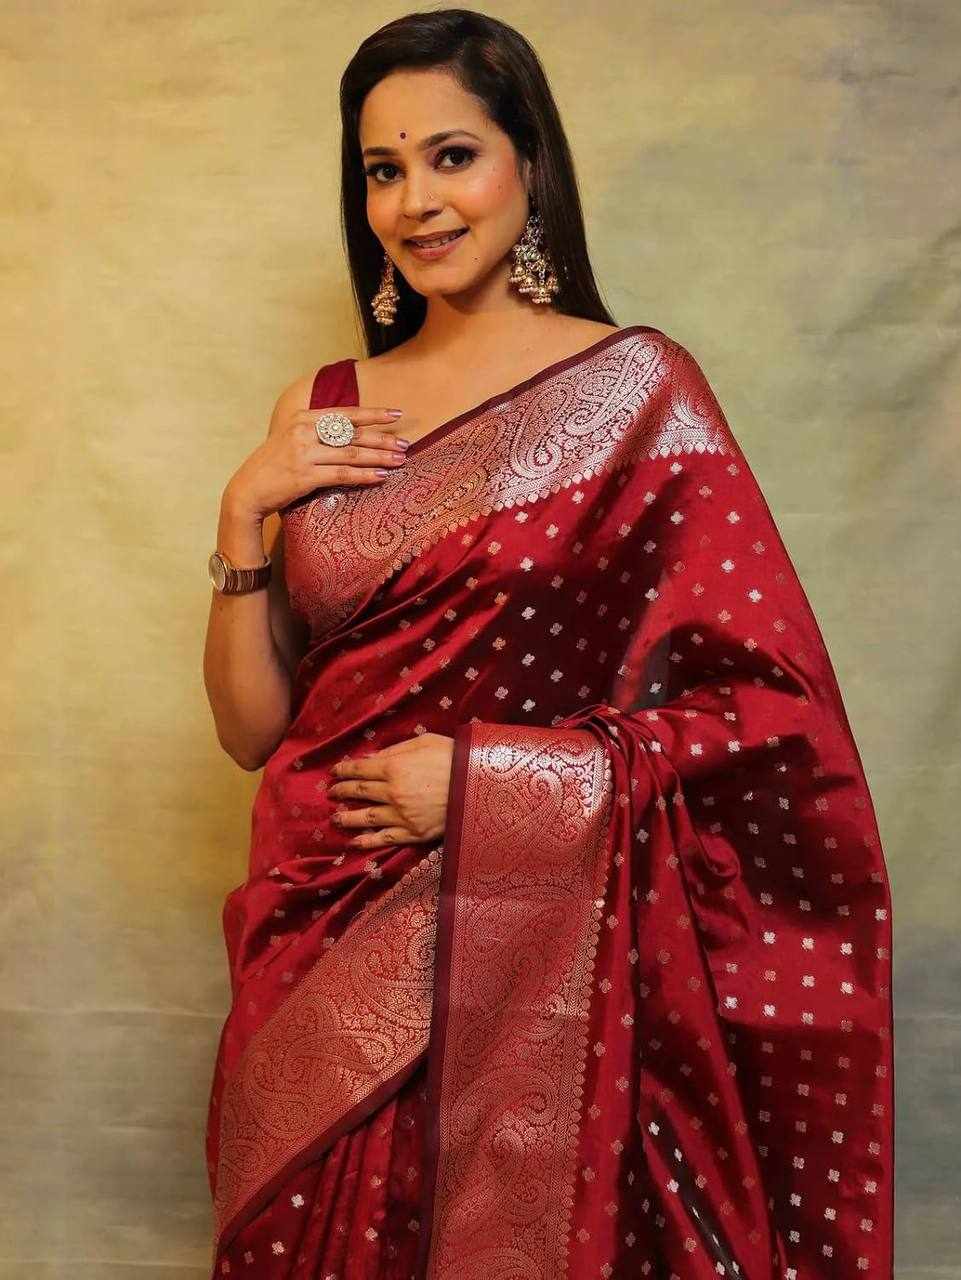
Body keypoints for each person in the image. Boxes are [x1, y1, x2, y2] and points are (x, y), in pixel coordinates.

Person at [202, 9, 894, 1278]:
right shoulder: (323, 410)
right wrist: (242, 512)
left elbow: (768, 708)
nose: (415, 201)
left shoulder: (636, 392)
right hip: (312, 919)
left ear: (529, 161)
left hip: (516, 926)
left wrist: (487, 785)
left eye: (452, 156)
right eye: (382, 170)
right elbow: (254, 731)